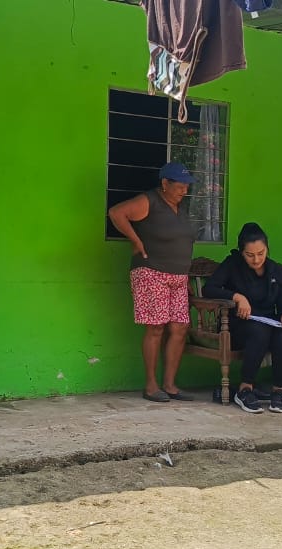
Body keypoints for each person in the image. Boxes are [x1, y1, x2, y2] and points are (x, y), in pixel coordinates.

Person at [108, 162, 198, 402]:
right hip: (151, 273)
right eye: (179, 186)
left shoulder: (181, 207)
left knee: (179, 327)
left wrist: (185, 275)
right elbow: (116, 213)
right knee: (156, 327)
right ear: (165, 183)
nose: (184, 191)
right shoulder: (150, 201)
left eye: (187, 186)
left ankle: (170, 385)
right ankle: (151, 386)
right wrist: (136, 241)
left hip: (179, 277)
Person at [202, 222, 282, 413]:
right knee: (259, 331)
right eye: (249, 255)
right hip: (238, 325)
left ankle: (278, 390)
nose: (256, 259)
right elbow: (209, 289)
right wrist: (237, 297)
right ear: (241, 252)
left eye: (261, 253)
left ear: (267, 248)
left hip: (269, 323)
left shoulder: (276, 270)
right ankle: (245, 389)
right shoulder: (232, 265)